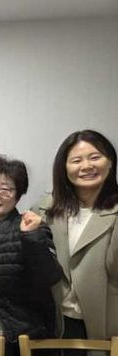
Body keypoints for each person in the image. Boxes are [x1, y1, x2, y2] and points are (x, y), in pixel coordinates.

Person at [0, 155, 62, 356]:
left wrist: (31, 237)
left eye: (5, 189)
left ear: (18, 196)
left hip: (15, 342)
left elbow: (50, 277)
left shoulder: (30, 226)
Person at [37, 129, 118, 342]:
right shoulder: (45, 209)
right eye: (76, 160)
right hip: (56, 324)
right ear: (64, 168)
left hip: (107, 325)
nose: (86, 166)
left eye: (95, 157)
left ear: (110, 162)